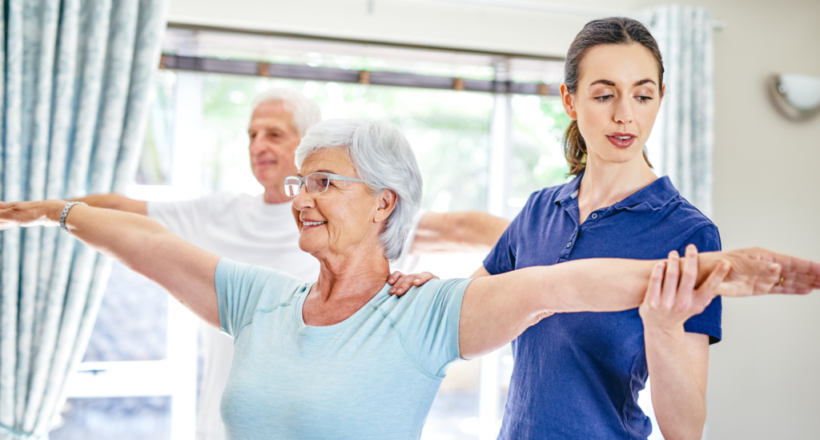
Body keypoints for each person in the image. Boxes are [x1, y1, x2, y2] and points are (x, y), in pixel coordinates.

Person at [2, 119, 818, 440]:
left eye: (323, 182)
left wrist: (720, 270)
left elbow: (562, 285)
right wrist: (51, 212)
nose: (301, 199)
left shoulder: (428, 313)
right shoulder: (258, 299)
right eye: (299, 185)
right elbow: (146, 242)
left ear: (382, 201)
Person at [75, 88, 509, 439]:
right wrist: (54, 209)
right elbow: (134, 225)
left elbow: (469, 230)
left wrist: (455, 287)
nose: (258, 145)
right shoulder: (222, 218)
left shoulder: (362, 217)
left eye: (274, 134)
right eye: (251, 135)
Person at [475, 17, 773, 439]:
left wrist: (664, 327)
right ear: (570, 99)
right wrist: (426, 289)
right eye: (604, 95)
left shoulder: (687, 233)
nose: (625, 115)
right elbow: (466, 315)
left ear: (660, 99)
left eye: (643, 95)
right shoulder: (539, 210)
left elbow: (685, 430)